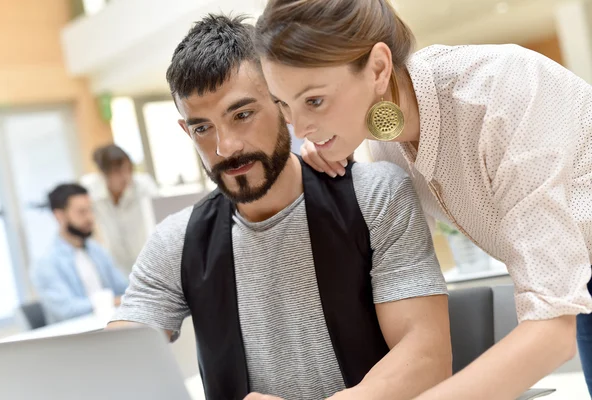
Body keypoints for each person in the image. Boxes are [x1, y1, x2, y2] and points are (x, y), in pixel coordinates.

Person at [253, 1, 592, 399]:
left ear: (378, 69)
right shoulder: (386, 144)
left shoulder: (500, 93)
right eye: (284, 105)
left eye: (314, 101)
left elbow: (552, 332)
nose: (302, 128)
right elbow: (400, 278)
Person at [109, 15, 451, 400]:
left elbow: (427, 357)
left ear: (282, 105)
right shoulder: (177, 242)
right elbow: (117, 365)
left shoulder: (375, 196)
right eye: (203, 127)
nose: (226, 147)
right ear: (187, 132)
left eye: (242, 115)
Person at [31, 184, 128, 323]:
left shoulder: (96, 250)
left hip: (110, 327)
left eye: (91, 210)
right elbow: (66, 310)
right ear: (59, 216)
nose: (90, 218)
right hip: (76, 338)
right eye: (82, 212)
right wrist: (112, 301)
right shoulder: (45, 262)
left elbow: (123, 288)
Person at [80, 144, 158, 276]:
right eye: (117, 171)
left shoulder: (144, 185)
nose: (125, 176)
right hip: (113, 263)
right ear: (103, 173)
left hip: (146, 260)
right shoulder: (90, 189)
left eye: (128, 169)